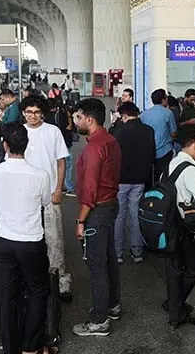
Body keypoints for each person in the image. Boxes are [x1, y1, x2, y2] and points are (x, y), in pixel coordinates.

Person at [0, 123, 54, 354]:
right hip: (31, 241)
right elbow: (45, 202)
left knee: (7, 295)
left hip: (2, 240)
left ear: (4, 145)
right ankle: (31, 346)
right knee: (37, 290)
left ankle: (10, 347)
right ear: (27, 145)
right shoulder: (40, 175)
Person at [72, 98, 122, 337]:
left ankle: (99, 320)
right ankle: (112, 305)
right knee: (109, 259)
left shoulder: (94, 148)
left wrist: (81, 221)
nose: (76, 120)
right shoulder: (110, 141)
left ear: (89, 119)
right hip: (110, 205)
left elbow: (90, 190)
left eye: (78, 117)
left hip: (96, 211)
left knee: (97, 265)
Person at [22, 95, 72, 299]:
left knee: (55, 239)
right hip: (25, 197)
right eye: (28, 112)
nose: (32, 116)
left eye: (36, 112)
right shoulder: (18, 133)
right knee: (29, 241)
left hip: (50, 194)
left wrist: (59, 188)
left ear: (42, 113)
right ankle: (33, 281)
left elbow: (61, 162)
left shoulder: (53, 131)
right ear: (24, 113)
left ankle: (61, 282)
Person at [165, 131, 195, 327]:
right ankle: (176, 309)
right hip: (185, 227)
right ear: (194, 144)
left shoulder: (173, 162)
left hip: (170, 223)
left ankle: (174, 304)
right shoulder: (190, 169)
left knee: (175, 269)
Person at [111, 102, 155, 264]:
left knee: (119, 215)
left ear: (123, 116)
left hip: (121, 179)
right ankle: (137, 252)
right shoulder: (148, 131)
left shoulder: (119, 131)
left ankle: (118, 253)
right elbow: (152, 155)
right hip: (140, 179)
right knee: (136, 214)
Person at [140, 88, 178, 189]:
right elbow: (173, 133)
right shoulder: (168, 113)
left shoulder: (144, 114)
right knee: (163, 178)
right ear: (163, 100)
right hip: (164, 151)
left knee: (149, 178)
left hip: (148, 151)